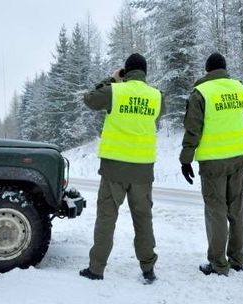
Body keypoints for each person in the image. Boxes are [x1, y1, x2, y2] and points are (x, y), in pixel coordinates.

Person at [79, 53, 164, 284]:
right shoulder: (156, 96)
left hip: (113, 169)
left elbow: (89, 99)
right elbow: (159, 115)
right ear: (145, 72)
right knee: (143, 219)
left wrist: (112, 79)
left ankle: (96, 269)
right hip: (143, 170)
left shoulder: (114, 91)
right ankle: (148, 269)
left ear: (126, 71)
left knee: (106, 219)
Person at [179, 52, 243, 276]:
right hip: (239, 158)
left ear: (207, 70)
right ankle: (237, 259)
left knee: (216, 211)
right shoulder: (238, 88)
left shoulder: (201, 93)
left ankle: (218, 264)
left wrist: (186, 160)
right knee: (237, 209)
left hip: (213, 162)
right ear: (224, 69)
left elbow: (193, 129)